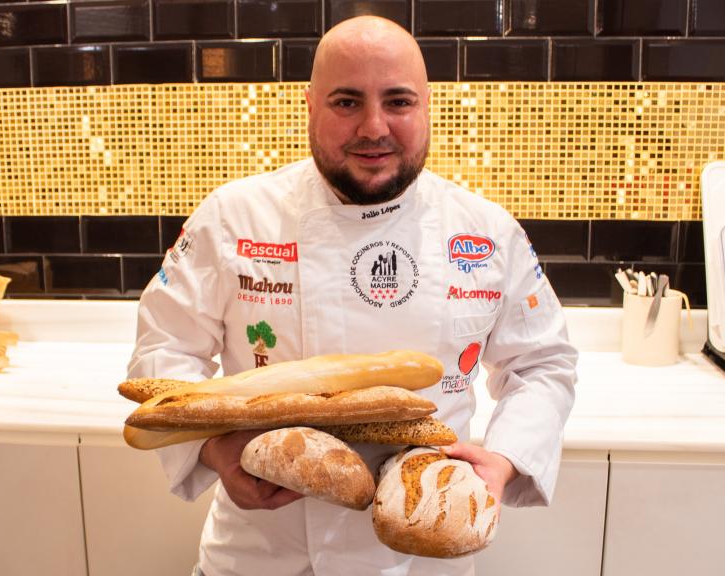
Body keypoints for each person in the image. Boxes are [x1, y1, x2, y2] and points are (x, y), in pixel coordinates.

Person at [128, 15, 577, 576]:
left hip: (418, 552)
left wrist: (504, 460)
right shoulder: (234, 217)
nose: (374, 127)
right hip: (258, 552)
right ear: (311, 106)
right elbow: (164, 355)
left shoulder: (487, 232)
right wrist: (215, 450)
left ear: (427, 106)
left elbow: (543, 364)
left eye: (398, 101)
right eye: (346, 102)